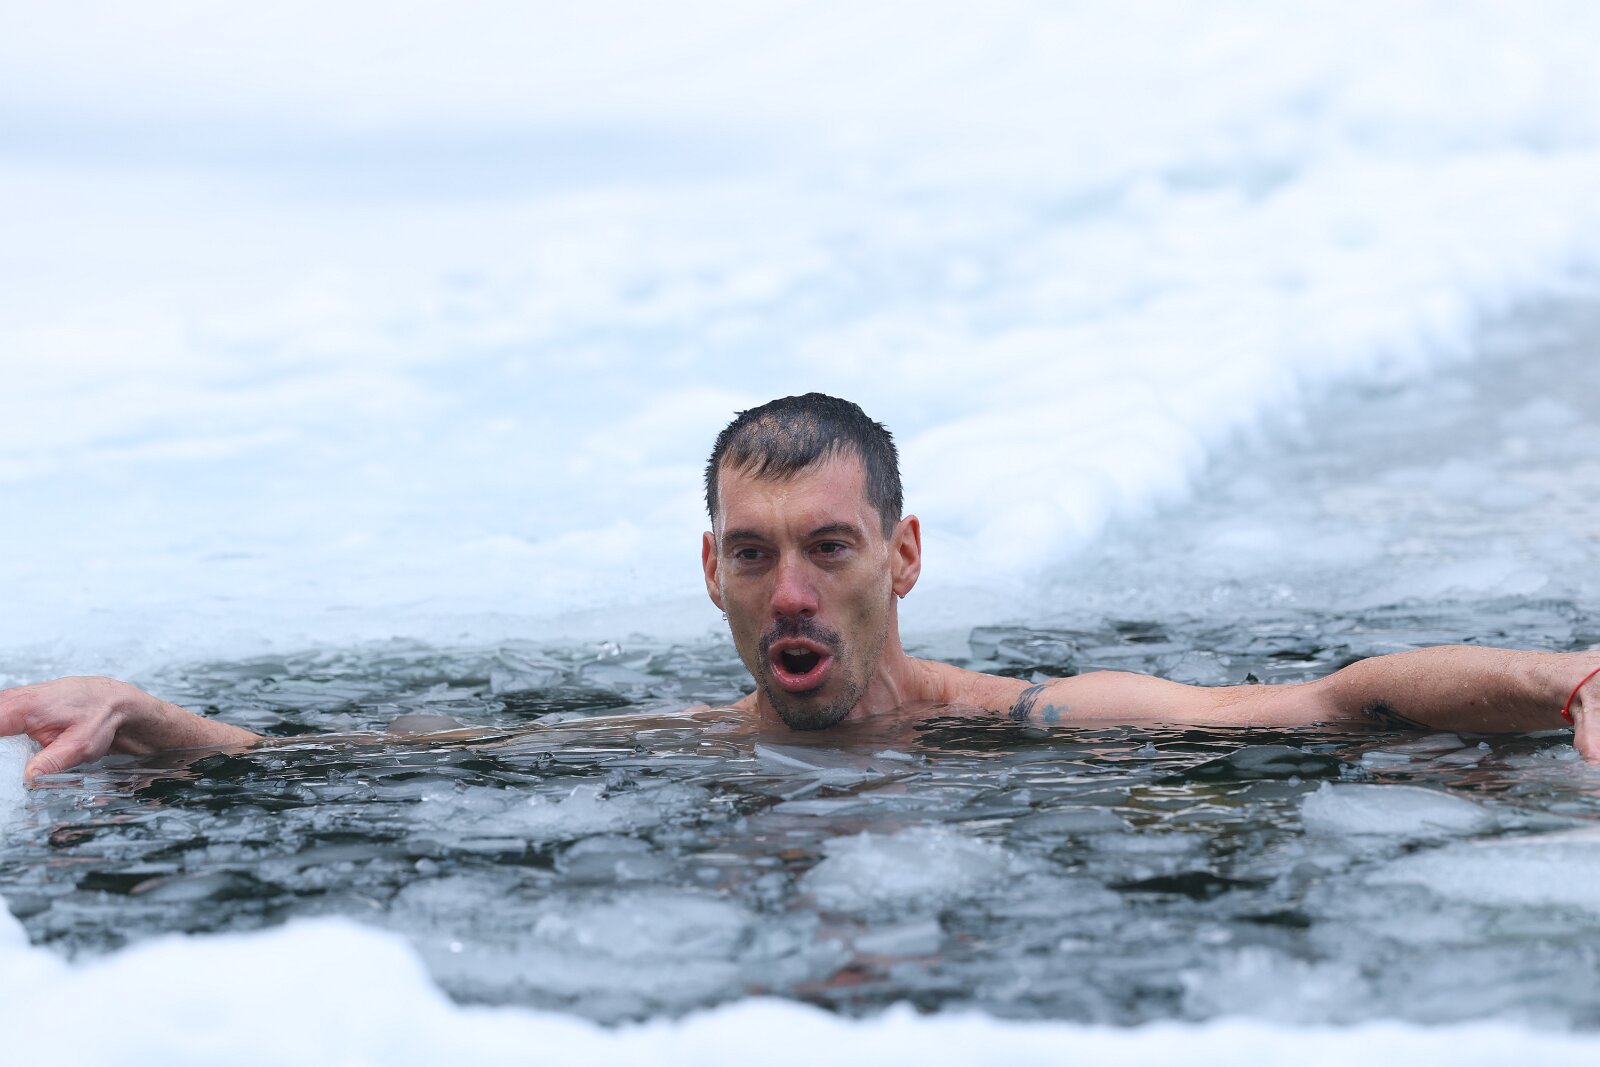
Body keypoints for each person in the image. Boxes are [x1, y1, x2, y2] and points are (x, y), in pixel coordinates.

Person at [4, 393, 1599, 782]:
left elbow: (1327, 702)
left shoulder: (1025, 721)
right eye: (755, 552)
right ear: (711, 571)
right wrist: (156, 721)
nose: (790, 590)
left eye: (828, 548)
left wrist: (1559, 678)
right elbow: (349, 760)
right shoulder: (686, 745)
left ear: (900, 558)